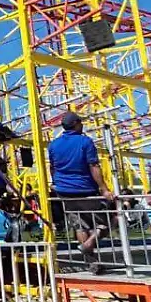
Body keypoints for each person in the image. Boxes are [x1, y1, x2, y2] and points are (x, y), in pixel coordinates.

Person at [48, 111, 112, 271]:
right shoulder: (85, 142)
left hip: (63, 191)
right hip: (85, 189)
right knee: (106, 223)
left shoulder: (53, 145)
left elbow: (52, 168)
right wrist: (104, 189)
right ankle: (89, 244)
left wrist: (56, 183)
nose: (82, 125)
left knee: (80, 226)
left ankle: (92, 262)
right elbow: (94, 166)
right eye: (81, 122)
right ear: (76, 124)